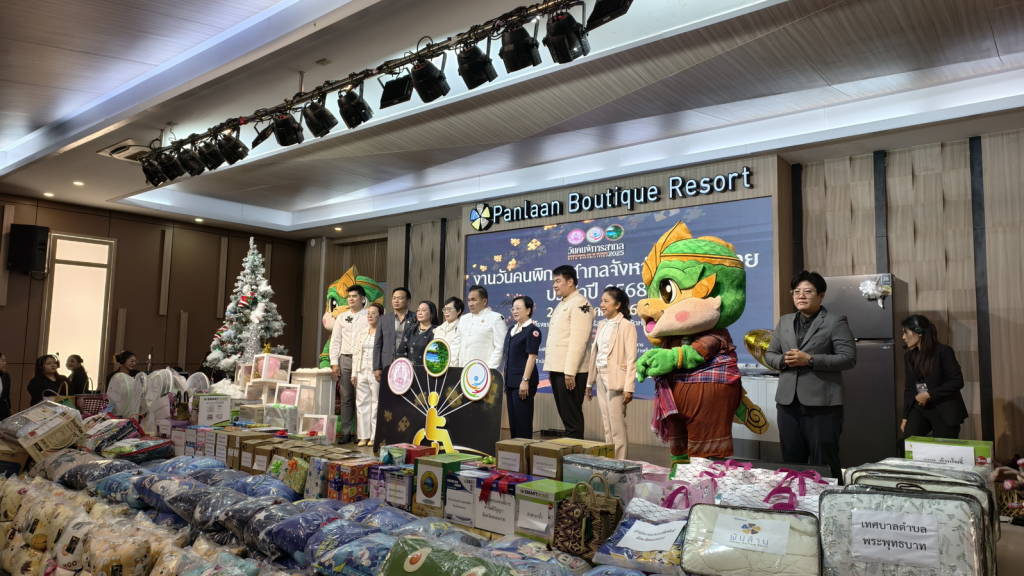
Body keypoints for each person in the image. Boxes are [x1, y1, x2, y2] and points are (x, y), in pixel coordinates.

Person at [764, 271, 856, 479]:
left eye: (808, 291)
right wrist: (782, 361)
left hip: (822, 406)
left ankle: (827, 497)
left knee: (824, 460)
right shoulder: (785, 321)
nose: (801, 296)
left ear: (821, 295)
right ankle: (795, 498)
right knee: (791, 460)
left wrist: (810, 360)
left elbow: (848, 358)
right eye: (796, 291)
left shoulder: (835, 321)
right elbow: (770, 354)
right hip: (787, 404)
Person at [544, 265, 596, 439]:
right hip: (558, 369)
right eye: (554, 281)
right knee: (566, 417)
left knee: (572, 418)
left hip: (570, 372)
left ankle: (575, 453)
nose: (554, 285)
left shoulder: (581, 303)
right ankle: (570, 451)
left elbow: (578, 341)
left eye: (558, 281)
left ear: (570, 282)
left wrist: (570, 372)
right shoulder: (563, 304)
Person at [587, 286, 637, 459]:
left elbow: (631, 359)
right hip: (600, 376)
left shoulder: (626, 326)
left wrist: (629, 387)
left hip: (616, 379)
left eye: (606, 301)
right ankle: (610, 460)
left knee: (617, 425)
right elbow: (595, 354)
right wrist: (589, 382)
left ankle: (620, 461)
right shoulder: (602, 324)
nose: (602, 304)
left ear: (617, 305)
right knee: (607, 423)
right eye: (601, 301)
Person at [899, 314, 968, 439]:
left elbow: (957, 381)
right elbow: (909, 388)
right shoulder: (909, 356)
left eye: (905, 332)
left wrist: (929, 394)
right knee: (906, 441)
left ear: (919, 332)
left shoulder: (944, 351)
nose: (903, 337)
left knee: (943, 447)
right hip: (921, 407)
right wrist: (905, 417)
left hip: (944, 407)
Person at [329, 284, 369, 444]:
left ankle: (361, 434)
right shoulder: (341, 317)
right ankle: (346, 432)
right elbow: (335, 340)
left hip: (363, 360)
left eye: (354, 296)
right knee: (346, 397)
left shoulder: (369, 315)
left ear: (362, 299)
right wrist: (334, 363)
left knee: (362, 397)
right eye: (349, 297)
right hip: (345, 359)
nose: (351, 299)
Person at [503, 296, 542, 439]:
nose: (515, 311)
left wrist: (525, 381)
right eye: (513, 308)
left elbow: (532, 357)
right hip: (510, 382)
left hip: (523, 383)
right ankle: (514, 452)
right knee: (513, 423)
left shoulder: (532, 331)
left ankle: (525, 452)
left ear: (528, 310)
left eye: (518, 308)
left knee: (523, 422)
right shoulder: (512, 329)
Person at [352, 303, 384, 447]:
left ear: (380, 316)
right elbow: (356, 353)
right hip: (361, 370)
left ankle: (374, 436)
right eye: (368, 313)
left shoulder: (382, 333)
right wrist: (354, 373)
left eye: (374, 313)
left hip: (375, 372)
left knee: (375, 403)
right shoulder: (362, 332)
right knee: (361, 403)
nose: (370, 316)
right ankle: (363, 436)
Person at [457, 286, 506, 370]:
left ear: (484, 301)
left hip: (484, 371)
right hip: (463, 370)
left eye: (474, 300)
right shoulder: (463, 319)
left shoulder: (496, 318)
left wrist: (489, 369)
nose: (470, 304)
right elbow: (458, 344)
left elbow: (500, 347)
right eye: (469, 300)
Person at [374, 287, 415, 385]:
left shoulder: (415, 318)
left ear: (408, 301)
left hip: (408, 364)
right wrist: (377, 367)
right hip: (388, 363)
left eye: (400, 298)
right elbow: (378, 345)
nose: (396, 301)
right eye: (394, 298)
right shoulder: (384, 319)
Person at [107, 350, 145, 419]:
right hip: (118, 414)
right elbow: (111, 398)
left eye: (135, 361)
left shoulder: (136, 375)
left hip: (132, 414)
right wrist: (108, 413)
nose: (134, 363)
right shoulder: (114, 376)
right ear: (123, 360)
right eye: (131, 361)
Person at [434, 296, 464, 367]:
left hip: (456, 368)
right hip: (438, 368)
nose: (446, 312)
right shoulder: (438, 330)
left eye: (449, 309)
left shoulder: (463, 328)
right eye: (444, 309)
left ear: (458, 311)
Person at [0, 352, 11, 419]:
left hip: (2, 411)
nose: (5, 363)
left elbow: (7, 396)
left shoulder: (6, 376)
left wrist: (9, 408)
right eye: (3, 360)